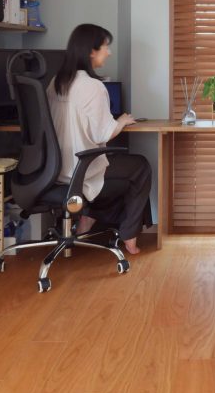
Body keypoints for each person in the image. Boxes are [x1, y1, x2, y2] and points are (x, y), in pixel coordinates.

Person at [47, 23, 150, 254]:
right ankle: (129, 235)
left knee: (116, 167)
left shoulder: (55, 83)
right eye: (105, 47)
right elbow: (102, 134)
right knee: (140, 167)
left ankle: (88, 218)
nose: (109, 52)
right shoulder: (93, 87)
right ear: (91, 51)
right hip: (80, 170)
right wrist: (121, 121)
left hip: (54, 170)